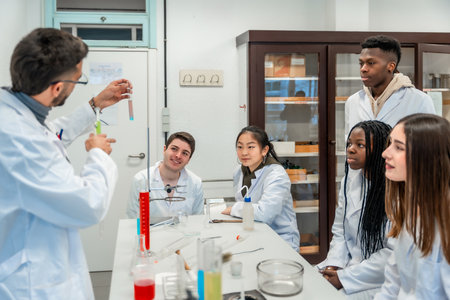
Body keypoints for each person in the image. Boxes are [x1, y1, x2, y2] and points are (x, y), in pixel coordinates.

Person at [0, 28, 132, 299]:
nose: (76, 85)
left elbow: (52, 134)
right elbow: (87, 204)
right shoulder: (18, 138)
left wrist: (95, 104)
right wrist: (98, 155)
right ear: (57, 87)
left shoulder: (17, 114)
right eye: (77, 80)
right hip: (32, 283)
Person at [374, 114, 450, 299]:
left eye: (398, 147)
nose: (385, 153)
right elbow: (393, 284)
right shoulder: (410, 209)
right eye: (390, 143)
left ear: (427, 157)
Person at [317, 120, 393, 299]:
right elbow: (340, 231)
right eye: (349, 144)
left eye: (360, 145)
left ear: (382, 150)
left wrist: (345, 278)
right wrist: (334, 265)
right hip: (346, 266)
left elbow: (392, 254)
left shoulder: (395, 192)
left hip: (376, 279)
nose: (350, 149)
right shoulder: (349, 182)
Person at [221, 125, 300, 251]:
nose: (244, 152)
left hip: (280, 240)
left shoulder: (276, 175)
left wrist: (234, 209)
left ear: (264, 150)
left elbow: (265, 213)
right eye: (240, 147)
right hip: (254, 236)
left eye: (251, 147)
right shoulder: (239, 171)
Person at [345, 35, 435, 135]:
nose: (363, 69)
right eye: (361, 63)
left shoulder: (419, 100)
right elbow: (349, 142)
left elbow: (429, 144)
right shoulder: (353, 101)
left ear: (391, 66)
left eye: (371, 63)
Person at [127, 131, 203, 219]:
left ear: (189, 159)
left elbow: (198, 221)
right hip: (150, 232)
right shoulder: (141, 179)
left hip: (183, 232)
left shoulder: (195, 183)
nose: (178, 155)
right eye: (174, 149)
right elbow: (132, 219)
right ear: (164, 150)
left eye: (185, 153)